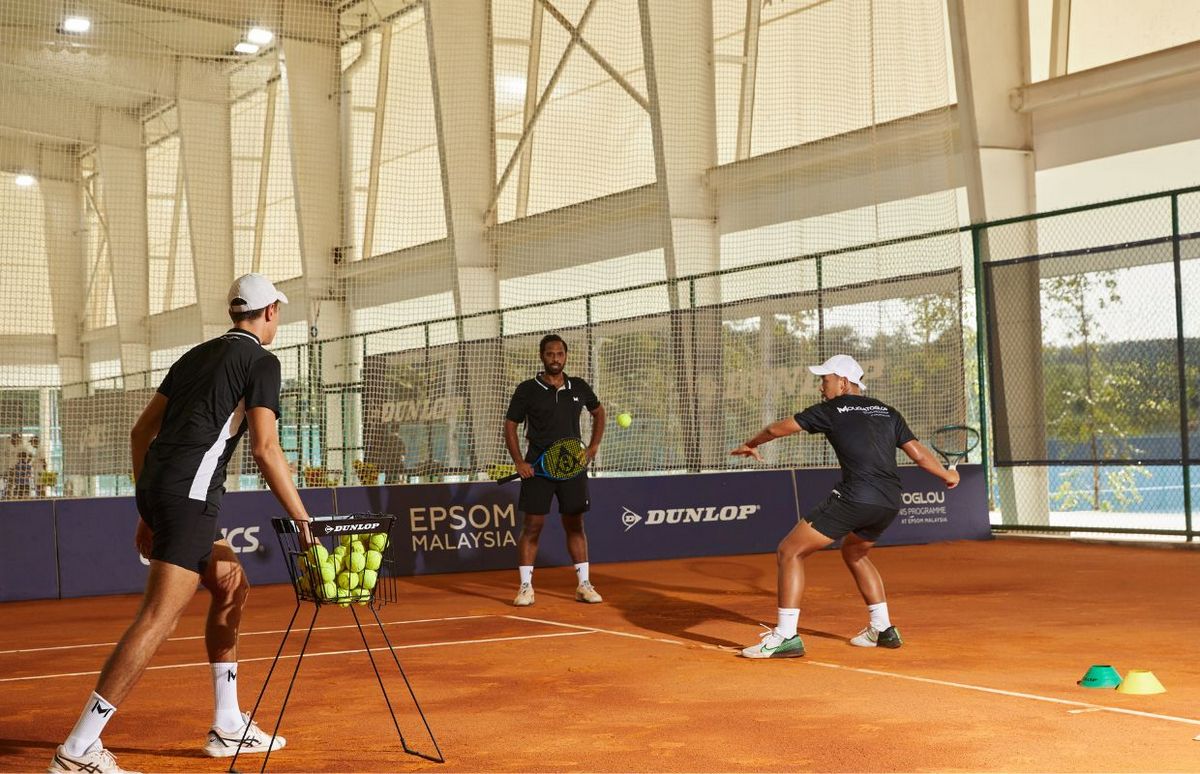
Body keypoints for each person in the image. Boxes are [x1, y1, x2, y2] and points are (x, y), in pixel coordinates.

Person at [49, 274, 316, 774]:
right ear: (270, 313)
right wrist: (302, 517)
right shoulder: (262, 362)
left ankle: (228, 724)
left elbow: (140, 433)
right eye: (277, 311)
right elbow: (266, 448)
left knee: (231, 585)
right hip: (189, 496)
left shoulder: (194, 356)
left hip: (168, 491)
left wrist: (148, 508)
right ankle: (78, 748)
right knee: (159, 618)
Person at [729, 354, 958, 659]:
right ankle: (882, 629)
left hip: (855, 497)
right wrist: (947, 475)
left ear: (843, 382)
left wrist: (752, 444)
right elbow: (917, 454)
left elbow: (776, 430)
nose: (821, 387)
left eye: (825, 380)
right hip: (889, 501)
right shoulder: (888, 412)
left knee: (789, 551)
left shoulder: (831, 410)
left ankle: (785, 636)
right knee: (855, 552)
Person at [504, 334, 606, 607]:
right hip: (538, 468)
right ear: (542, 356)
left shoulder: (579, 386)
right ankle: (526, 587)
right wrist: (519, 462)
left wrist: (593, 447)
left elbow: (599, 412)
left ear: (566, 356)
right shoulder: (527, 389)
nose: (555, 358)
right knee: (532, 526)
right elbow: (510, 425)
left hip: (572, 467)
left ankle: (583, 585)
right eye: (550, 354)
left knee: (575, 524)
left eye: (560, 354)